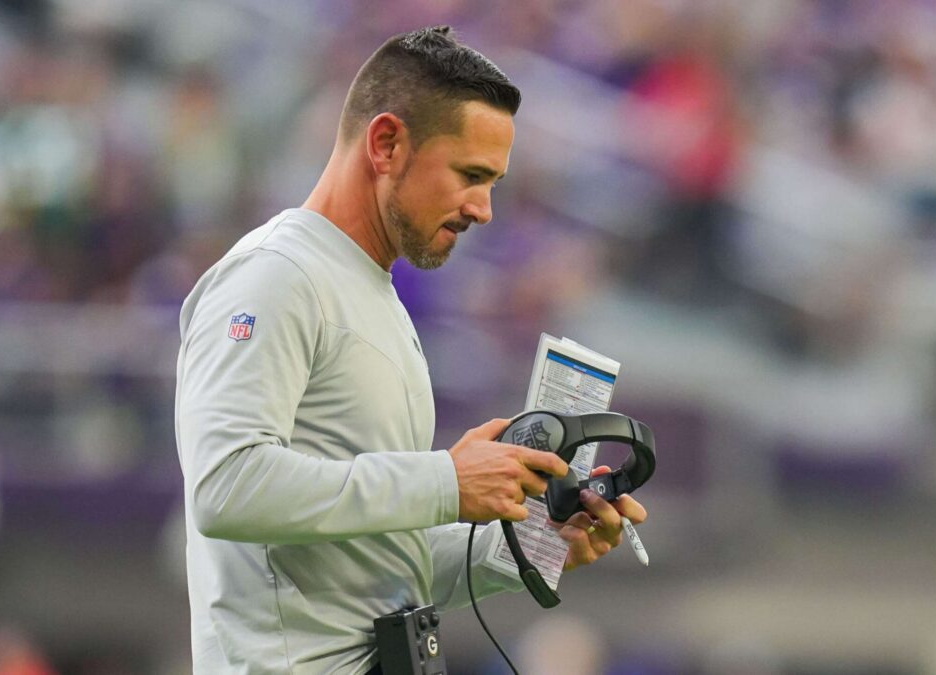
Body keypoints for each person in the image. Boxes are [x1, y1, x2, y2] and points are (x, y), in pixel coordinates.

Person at [174, 26, 647, 674]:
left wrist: (523, 547)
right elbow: (225, 488)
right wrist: (445, 481)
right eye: (470, 175)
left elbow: (375, 569)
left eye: (494, 182)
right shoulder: (274, 275)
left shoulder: (377, 296)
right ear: (387, 143)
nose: (484, 208)